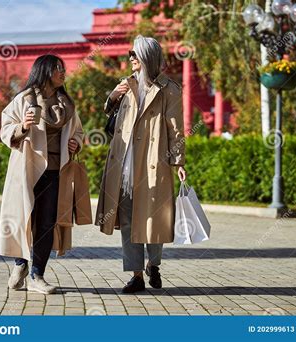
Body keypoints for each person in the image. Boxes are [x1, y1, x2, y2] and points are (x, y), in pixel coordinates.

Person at [95, 35, 186, 293]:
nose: (130, 59)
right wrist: (113, 96)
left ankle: (153, 264)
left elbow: (176, 128)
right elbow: (109, 112)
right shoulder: (126, 84)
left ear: (147, 57)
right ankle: (136, 276)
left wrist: (178, 161)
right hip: (124, 164)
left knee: (154, 217)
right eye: (129, 54)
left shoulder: (170, 89)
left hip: (153, 162)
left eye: (134, 54)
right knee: (127, 219)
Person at [0, 54, 83, 294]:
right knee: (24, 217)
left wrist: (76, 142)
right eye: (58, 69)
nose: (63, 73)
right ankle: (20, 264)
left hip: (57, 172)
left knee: (46, 223)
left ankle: (37, 275)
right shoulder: (24, 99)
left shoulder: (66, 103)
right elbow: (5, 129)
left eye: (63, 69)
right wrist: (22, 126)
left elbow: (78, 131)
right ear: (44, 71)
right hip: (28, 169)